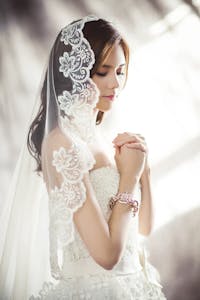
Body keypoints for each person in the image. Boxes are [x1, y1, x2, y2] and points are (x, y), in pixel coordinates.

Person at [0, 15, 166, 299]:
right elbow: (106, 255)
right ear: (75, 74)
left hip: (135, 285)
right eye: (104, 71)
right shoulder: (61, 143)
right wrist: (128, 177)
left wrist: (143, 169)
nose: (116, 83)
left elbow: (144, 228)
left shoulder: (100, 137)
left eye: (121, 71)